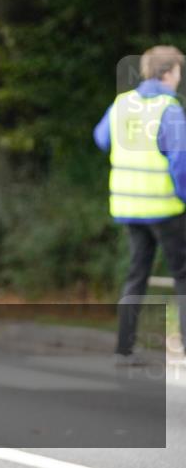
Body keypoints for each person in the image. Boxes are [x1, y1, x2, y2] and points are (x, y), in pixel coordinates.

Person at [94, 45, 186, 365]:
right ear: (169, 72)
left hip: (128, 208)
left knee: (136, 274)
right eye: (178, 72)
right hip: (164, 208)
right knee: (182, 276)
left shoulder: (122, 103)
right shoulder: (168, 108)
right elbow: (180, 161)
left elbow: (101, 139)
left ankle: (124, 349)